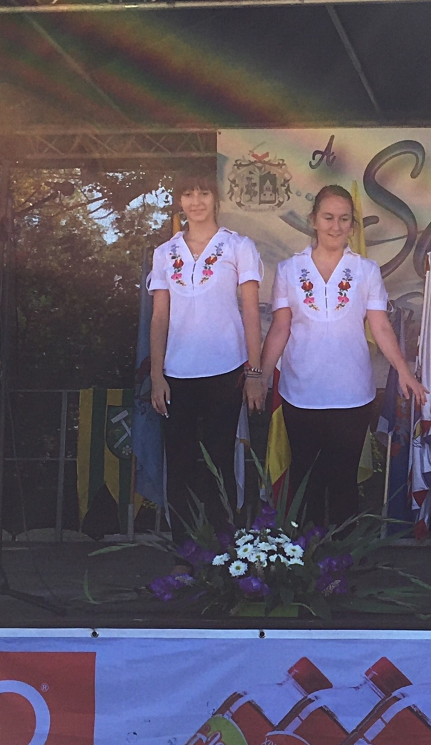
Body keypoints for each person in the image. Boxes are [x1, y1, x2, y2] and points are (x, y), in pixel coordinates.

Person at [245, 185, 425, 529]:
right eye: (328, 217)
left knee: (344, 482)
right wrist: (261, 377)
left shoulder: (366, 270)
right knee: (306, 481)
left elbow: (380, 325)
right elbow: (280, 327)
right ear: (313, 220)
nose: (335, 226)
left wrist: (404, 371)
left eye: (344, 219)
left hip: (352, 393)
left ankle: (342, 559)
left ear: (352, 226)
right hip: (301, 392)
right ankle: (307, 558)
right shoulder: (289, 269)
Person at [149, 169, 262, 568]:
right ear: (179, 202)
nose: (196, 201)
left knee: (220, 463)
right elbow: (159, 317)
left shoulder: (238, 246)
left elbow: (251, 312)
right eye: (188, 194)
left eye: (203, 193)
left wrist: (254, 373)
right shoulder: (164, 253)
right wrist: (157, 375)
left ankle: (227, 554)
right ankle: (184, 555)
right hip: (177, 373)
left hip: (225, 370)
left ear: (216, 199)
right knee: (178, 465)